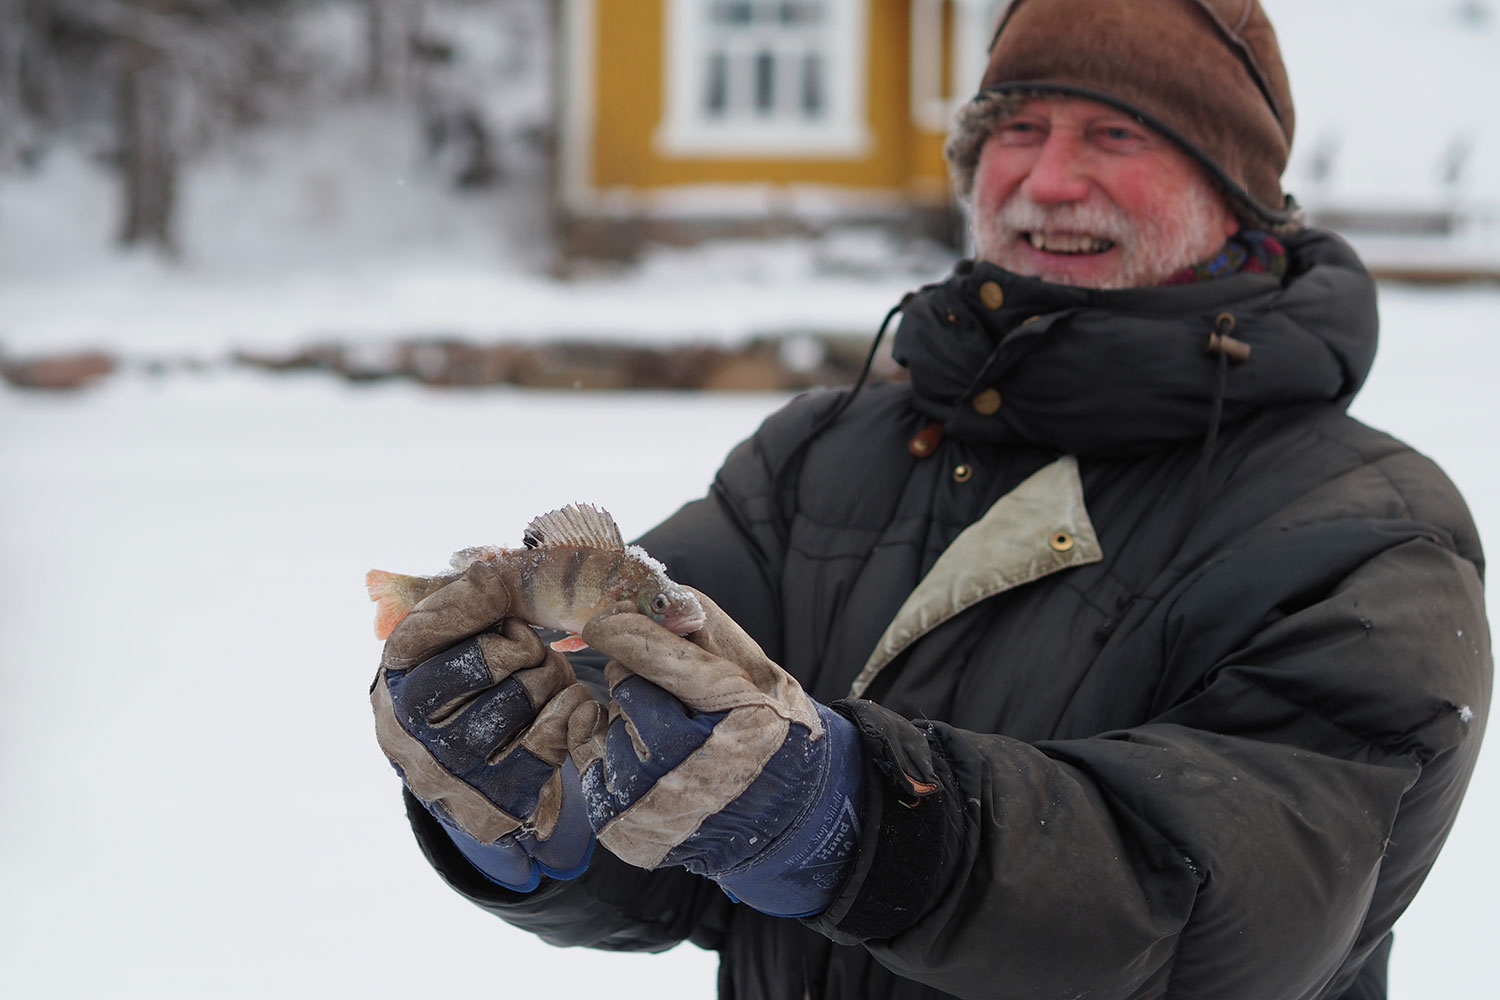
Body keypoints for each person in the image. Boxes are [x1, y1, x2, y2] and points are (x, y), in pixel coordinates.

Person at [369, 1, 1492, 996]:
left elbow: (1218, 917)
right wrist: (535, 815)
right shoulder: (815, 456)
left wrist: (867, 822)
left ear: (1235, 191)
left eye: (1117, 134)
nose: (1049, 180)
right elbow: (670, 857)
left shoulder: (1369, 533)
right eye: (1017, 129)